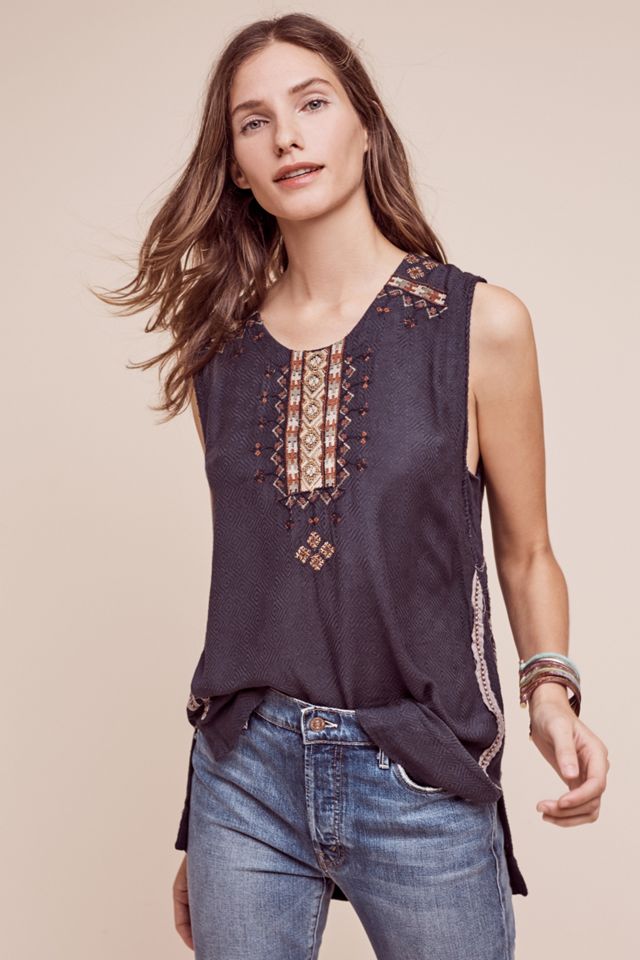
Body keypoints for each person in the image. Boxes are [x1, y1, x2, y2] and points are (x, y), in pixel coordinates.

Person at [93, 12, 610, 960]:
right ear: (236, 168)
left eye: (312, 104)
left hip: (420, 770)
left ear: (364, 125)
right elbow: (255, 591)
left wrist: (550, 692)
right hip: (243, 781)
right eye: (254, 122)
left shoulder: (479, 325)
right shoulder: (218, 354)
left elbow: (528, 549)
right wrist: (203, 829)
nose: (287, 137)